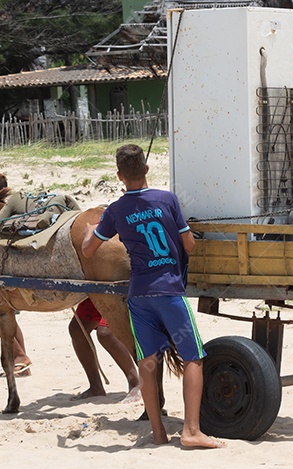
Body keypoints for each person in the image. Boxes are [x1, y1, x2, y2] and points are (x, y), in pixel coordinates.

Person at [81, 144, 221, 449]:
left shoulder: (115, 210)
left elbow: (89, 250)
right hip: (169, 291)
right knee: (193, 357)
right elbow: (189, 247)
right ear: (147, 169)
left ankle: (158, 434)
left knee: (147, 363)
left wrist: (91, 231)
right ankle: (191, 430)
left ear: (119, 176)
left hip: (139, 295)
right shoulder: (167, 199)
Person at [0, 171, 31, 376]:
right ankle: (21, 361)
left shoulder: (3, 209)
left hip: (1, 267)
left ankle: (20, 357)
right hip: (1, 265)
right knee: (7, 316)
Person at [69, 297, 140, 399]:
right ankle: (95, 387)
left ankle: (135, 384)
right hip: (94, 289)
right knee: (77, 329)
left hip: (115, 289)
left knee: (105, 334)